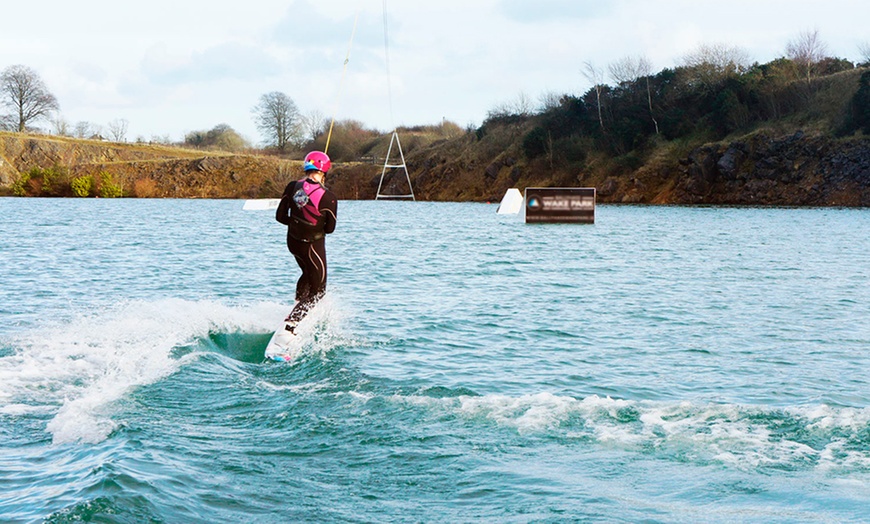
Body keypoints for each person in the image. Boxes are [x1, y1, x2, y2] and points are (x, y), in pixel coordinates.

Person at [275, 151, 338, 332]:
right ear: (324, 172)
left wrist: (296, 224)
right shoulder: (329, 197)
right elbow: (330, 229)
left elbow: (280, 217)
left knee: (306, 272)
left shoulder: (292, 186)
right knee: (319, 291)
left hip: (293, 243)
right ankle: (292, 324)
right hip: (312, 245)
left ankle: (297, 306)